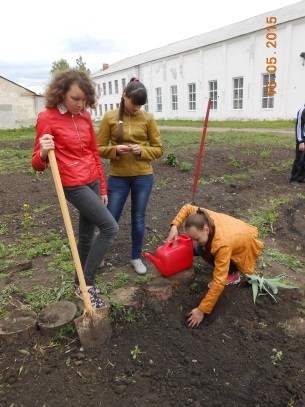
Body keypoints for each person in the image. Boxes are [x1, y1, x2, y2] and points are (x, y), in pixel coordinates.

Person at [32, 68, 119, 309]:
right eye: (75, 99)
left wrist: (102, 186)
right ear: (61, 94)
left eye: (84, 100)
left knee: (86, 235)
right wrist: (42, 151)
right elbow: (37, 164)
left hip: (92, 180)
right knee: (110, 228)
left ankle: (78, 283)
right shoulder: (47, 117)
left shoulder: (85, 117)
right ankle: (86, 284)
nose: (80, 105)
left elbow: (93, 152)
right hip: (73, 184)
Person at [98, 78, 163, 274]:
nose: (136, 108)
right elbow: (99, 148)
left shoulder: (148, 118)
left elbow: (159, 149)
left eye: (140, 105)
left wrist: (141, 150)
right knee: (110, 218)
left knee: (138, 218)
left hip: (143, 177)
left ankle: (136, 257)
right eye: (133, 103)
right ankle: (99, 255)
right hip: (118, 177)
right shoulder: (109, 117)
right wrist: (115, 150)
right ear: (124, 96)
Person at [167, 204, 264, 327]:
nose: (193, 241)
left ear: (206, 229)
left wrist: (202, 310)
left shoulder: (222, 244)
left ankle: (232, 274)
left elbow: (219, 282)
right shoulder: (201, 216)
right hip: (235, 233)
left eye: (196, 238)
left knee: (199, 248)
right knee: (197, 246)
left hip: (241, 252)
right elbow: (187, 207)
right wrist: (175, 226)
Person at [289, 104, 305, 188]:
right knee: (299, 159)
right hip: (302, 139)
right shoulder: (302, 111)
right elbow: (299, 127)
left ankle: (301, 178)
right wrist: (301, 141)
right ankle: (293, 179)